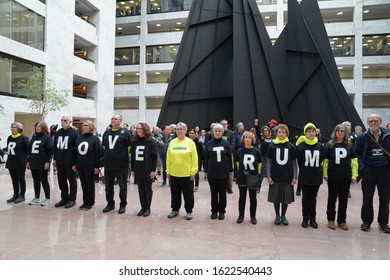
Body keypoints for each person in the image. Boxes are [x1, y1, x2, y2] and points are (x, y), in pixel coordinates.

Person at [355, 114, 390, 233]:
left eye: (376, 121)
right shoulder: (362, 137)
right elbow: (357, 154)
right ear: (368, 123)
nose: (373, 123)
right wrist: (363, 167)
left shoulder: (388, 135)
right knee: (367, 197)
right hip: (368, 170)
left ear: (380, 122)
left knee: (385, 198)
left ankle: (383, 222)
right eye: (371, 121)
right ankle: (366, 221)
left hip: (385, 170)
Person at [323, 124, 358, 230]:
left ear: (345, 133)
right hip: (333, 176)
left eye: (342, 131)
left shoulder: (349, 145)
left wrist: (354, 175)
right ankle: (331, 219)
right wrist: (325, 174)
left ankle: (342, 221)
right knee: (332, 199)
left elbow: (354, 161)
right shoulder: (329, 145)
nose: (340, 133)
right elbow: (325, 161)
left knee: (344, 199)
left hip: (345, 176)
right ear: (335, 132)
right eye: (338, 131)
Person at [166, 122, 198, 220]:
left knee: (188, 194)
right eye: (177, 129)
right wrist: (168, 171)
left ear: (185, 131)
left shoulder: (190, 142)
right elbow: (168, 158)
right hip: (174, 174)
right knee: (175, 193)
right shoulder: (172, 142)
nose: (179, 131)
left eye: (181, 129)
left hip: (187, 174)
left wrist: (193, 172)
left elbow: (195, 158)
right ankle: (175, 209)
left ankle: (189, 211)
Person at [266, 124, 297, 226]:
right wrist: (269, 175)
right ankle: (277, 215)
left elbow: (294, 163)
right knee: (276, 197)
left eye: (283, 132)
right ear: (276, 133)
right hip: (275, 176)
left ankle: (283, 215)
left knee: (286, 198)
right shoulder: (272, 146)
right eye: (279, 132)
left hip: (287, 176)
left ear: (286, 133)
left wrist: (295, 177)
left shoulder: (291, 146)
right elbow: (269, 162)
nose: (281, 134)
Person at [296, 123, 325, 228]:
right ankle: (305, 218)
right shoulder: (301, 146)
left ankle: (313, 218)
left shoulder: (320, 147)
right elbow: (299, 160)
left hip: (316, 176)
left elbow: (322, 160)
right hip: (305, 176)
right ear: (305, 133)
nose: (311, 133)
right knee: (305, 198)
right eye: (309, 131)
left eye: (313, 131)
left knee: (313, 198)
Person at [102, 114, 133, 214]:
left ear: (120, 121)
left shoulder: (126, 133)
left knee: (122, 187)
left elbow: (130, 147)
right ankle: (110, 204)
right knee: (108, 186)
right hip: (109, 165)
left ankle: (123, 204)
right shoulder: (106, 132)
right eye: (112, 119)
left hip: (121, 165)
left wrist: (127, 160)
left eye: (115, 119)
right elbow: (104, 147)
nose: (113, 120)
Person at [204, 123, 233, 220]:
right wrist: (205, 171)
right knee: (213, 193)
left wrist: (230, 171)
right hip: (212, 173)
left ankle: (222, 211)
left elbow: (229, 157)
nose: (217, 132)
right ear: (213, 132)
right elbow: (206, 159)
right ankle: (214, 211)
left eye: (219, 131)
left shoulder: (226, 143)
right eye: (215, 131)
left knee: (222, 194)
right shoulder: (209, 144)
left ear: (222, 132)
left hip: (224, 173)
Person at [235, 131, 262, 225]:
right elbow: (238, 164)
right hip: (242, 177)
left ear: (252, 140)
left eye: (249, 138)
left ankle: (253, 216)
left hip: (253, 178)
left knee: (253, 198)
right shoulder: (239, 151)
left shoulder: (257, 151)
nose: (247, 139)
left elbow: (259, 165)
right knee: (242, 198)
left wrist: (254, 174)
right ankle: (241, 215)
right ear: (243, 139)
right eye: (245, 137)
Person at [73, 120, 101, 211]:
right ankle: (85, 202)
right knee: (83, 184)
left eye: (86, 125)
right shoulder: (79, 138)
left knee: (90, 184)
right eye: (83, 125)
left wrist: (97, 166)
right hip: (80, 165)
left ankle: (90, 202)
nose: (84, 127)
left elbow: (98, 153)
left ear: (91, 127)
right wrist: (75, 163)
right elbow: (75, 152)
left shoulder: (95, 139)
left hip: (90, 165)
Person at [131, 122, 157, 217]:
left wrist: (153, 170)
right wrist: (133, 169)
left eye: (140, 128)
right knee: (140, 189)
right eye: (137, 128)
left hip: (147, 169)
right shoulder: (135, 141)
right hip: (138, 169)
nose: (138, 130)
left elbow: (154, 157)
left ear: (145, 130)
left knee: (147, 189)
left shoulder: (151, 142)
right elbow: (133, 156)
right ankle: (142, 207)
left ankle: (147, 208)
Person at [53, 115, 79, 208]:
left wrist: (75, 163)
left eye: (65, 120)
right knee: (61, 180)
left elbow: (77, 149)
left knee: (72, 180)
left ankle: (72, 199)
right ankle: (64, 198)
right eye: (62, 120)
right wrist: (55, 159)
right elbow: (55, 147)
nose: (63, 122)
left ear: (70, 122)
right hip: (60, 160)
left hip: (70, 161)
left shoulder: (74, 133)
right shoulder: (58, 132)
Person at [26, 121, 52, 206]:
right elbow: (30, 151)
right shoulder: (34, 137)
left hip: (42, 163)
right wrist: (28, 161)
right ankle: (36, 197)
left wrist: (47, 162)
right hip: (33, 162)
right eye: (36, 126)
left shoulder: (47, 137)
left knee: (44, 180)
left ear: (43, 128)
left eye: (39, 126)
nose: (37, 128)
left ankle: (48, 198)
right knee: (36, 180)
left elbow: (49, 151)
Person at [6, 122, 29, 203]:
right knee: (14, 179)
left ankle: (22, 195)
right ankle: (15, 194)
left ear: (19, 129)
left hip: (20, 162)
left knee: (21, 179)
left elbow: (27, 150)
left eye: (14, 127)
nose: (12, 128)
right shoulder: (9, 138)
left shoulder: (23, 138)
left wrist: (27, 161)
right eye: (11, 127)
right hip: (11, 162)